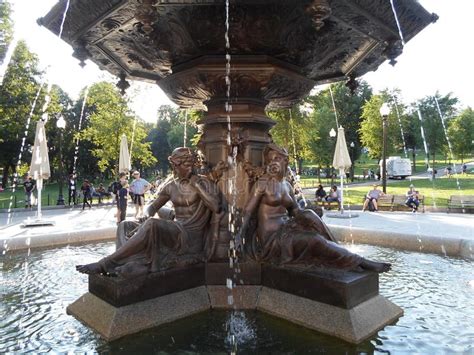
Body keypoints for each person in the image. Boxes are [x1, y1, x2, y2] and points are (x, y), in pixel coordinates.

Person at [237, 143, 390, 273]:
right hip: (273, 240)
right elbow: (247, 212)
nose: (273, 163)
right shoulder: (262, 184)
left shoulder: (287, 186)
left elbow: (295, 211)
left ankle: (344, 258)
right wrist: (239, 236)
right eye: (270, 160)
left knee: (309, 216)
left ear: (285, 161)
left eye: (277, 159)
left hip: (287, 230)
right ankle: (358, 261)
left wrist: (310, 212)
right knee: (315, 240)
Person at [76, 147, 221, 277]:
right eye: (175, 165)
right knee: (125, 225)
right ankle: (124, 264)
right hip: (174, 230)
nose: (176, 169)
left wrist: (196, 185)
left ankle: (105, 264)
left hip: (189, 236)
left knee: (152, 225)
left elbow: (216, 206)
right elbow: (152, 207)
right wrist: (145, 214)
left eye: (179, 165)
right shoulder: (171, 186)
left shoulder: (204, 183)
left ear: (190, 164)